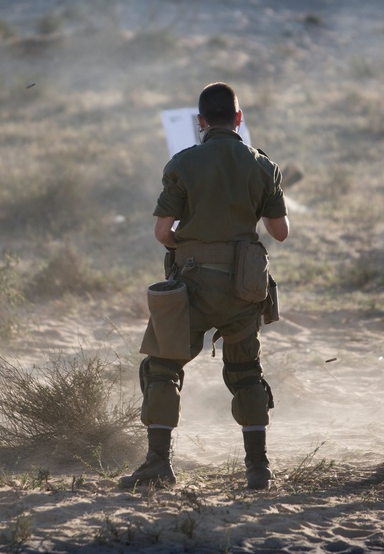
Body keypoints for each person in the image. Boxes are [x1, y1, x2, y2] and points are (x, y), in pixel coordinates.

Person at [119, 82, 289, 491]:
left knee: (162, 366)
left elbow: (163, 232)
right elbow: (280, 232)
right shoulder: (263, 166)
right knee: (246, 371)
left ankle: (158, 463)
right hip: (245, 288)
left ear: (201, 122)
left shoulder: (183, 163)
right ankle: (258, 468)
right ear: (239, 119)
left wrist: (189, 244)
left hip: (192, 284)